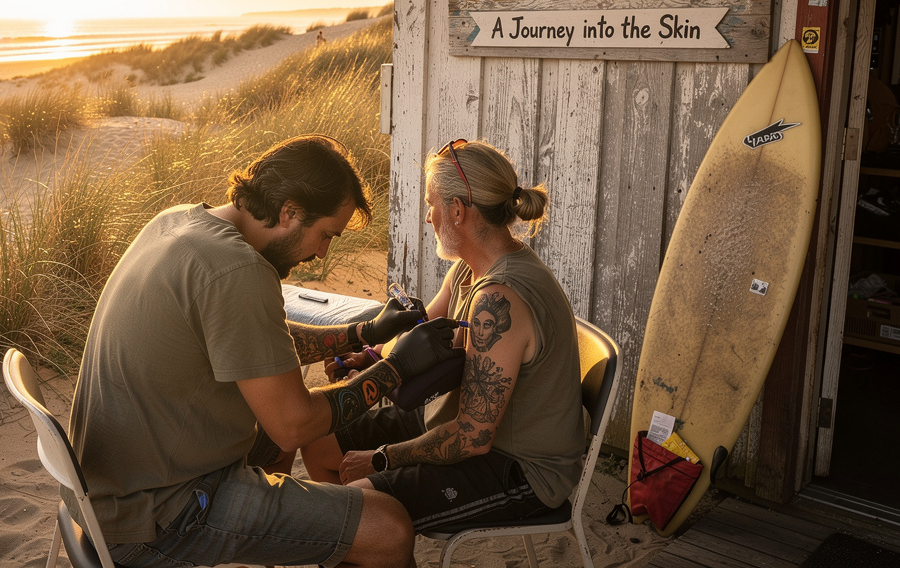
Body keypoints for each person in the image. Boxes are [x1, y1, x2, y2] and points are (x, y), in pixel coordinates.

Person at [62, 135, 458, 568]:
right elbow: (294, 425)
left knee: (273, 424)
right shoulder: (239, 269)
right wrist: (395, 368)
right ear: (289, 211)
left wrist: (363, 332)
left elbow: (259, 341)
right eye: (325, 235)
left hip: (108, 495)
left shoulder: (179, 222)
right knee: (388, 527)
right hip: (157, 516)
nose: (321, 252)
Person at [301, 139, 585, 533]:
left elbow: (472, 437)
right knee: (318, 440)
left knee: (361, 508)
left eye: (430, 204)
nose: (427, 217)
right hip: (453, 420)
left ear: (457, 211)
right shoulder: (471, 268)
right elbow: (422, 334)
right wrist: (370, 356)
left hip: (518, 466)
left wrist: (381, 458)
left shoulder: (500, 299)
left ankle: (369, 539)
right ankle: (362, 544)